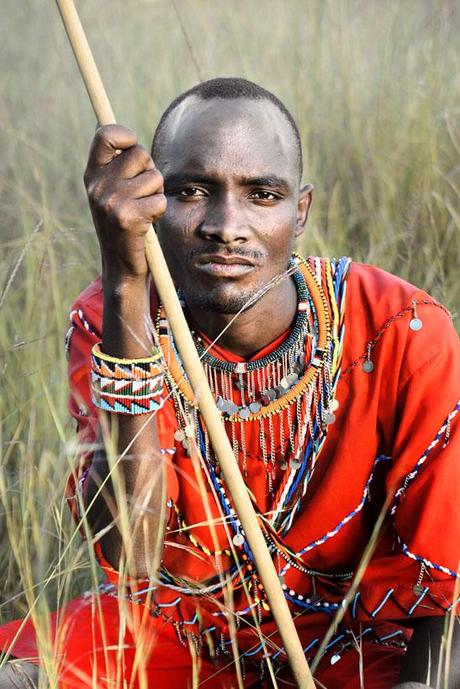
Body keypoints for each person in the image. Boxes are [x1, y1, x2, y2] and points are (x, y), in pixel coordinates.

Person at [0, 78, 458, 689]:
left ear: (301, 212)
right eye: (191, 191)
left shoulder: (400, 329)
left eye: (262, 194)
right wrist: (126, 279)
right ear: (150, 203)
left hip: (361, 645)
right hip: (174, 634)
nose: (226, 225)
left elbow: (446, 591)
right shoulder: (112, 316)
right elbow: (131, 551)